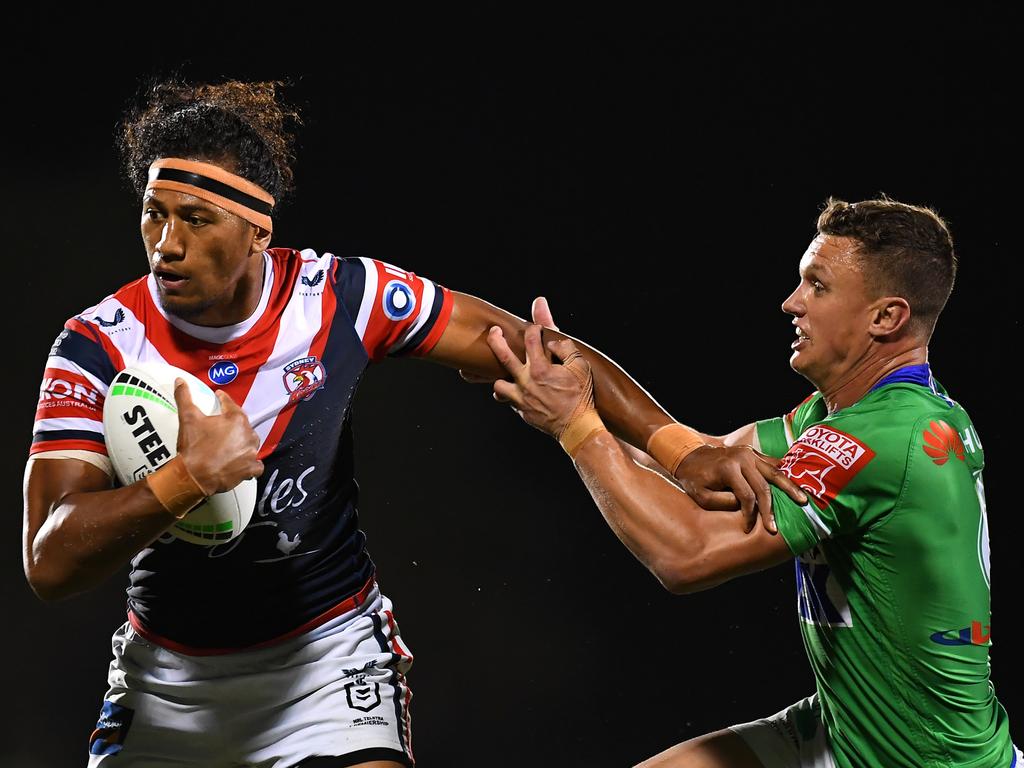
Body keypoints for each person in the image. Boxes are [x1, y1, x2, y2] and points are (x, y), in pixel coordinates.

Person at [22, 79, 805, 768]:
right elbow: (48, 561)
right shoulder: (96, 343)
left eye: (196, 220)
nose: (166, 245)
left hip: (324, 664)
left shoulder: (342, 297)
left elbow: (536, 353)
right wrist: (185, 479)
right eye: (154, 215)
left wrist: (682, 447)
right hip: (169, 681)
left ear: (258, 231)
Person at [484, 198, 1020, 767]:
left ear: (885, 318)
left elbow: (686, 552)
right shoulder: (845, 416)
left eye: (817, 286)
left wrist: (576, 425)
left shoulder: (887, 440)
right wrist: (567, 373)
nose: (791, 303)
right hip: (844, 728)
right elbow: (692, 457)